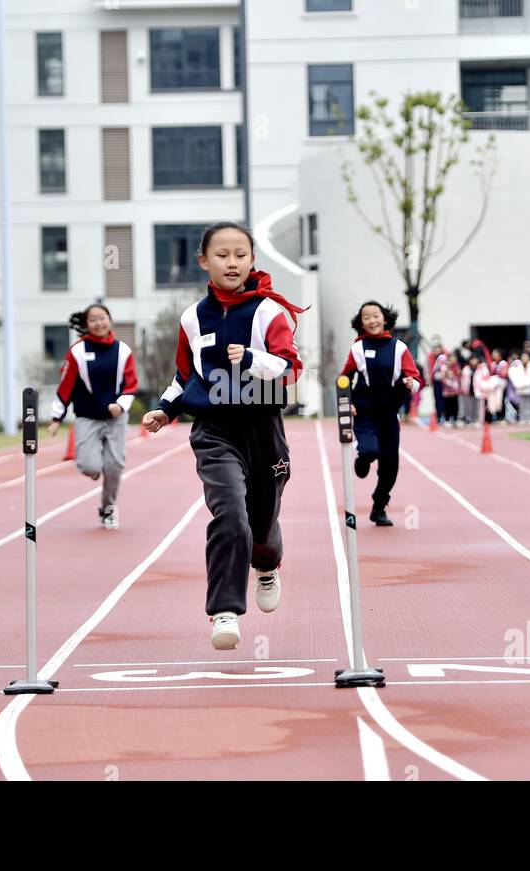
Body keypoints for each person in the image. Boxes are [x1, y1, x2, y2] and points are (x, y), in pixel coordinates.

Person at [141, 221, 304, 651]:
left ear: (252, 260)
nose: (232, 262)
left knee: (261, 525)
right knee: (230, 513)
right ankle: (224, 610)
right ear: (203, 261)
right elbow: (184, 373)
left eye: (240, 255)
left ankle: (266, 564)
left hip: (263, 428)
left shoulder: (270, 312)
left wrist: (252, 358)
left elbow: (291, 369)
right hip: (214, 432)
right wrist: (166, 408)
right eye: (222, 255)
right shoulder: (193, 318)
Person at [48, 304, 139, 529]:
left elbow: (131, 383)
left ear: (110, 320)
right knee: (90, 466)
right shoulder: (77, 351)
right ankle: (94, 467)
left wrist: (121, 405)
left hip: (115, 418)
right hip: (87, 417)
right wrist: (56, 418)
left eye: (102, 318)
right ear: (87, 324)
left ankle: (107, 507)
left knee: (115, 466)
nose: (99, 323)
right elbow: (66, 386)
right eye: (93, 320)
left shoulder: (123, 351)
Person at [339, 301, 421, 527]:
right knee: (370, 449)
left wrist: (410, 382)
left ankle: (378, 507)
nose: (372, 320)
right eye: (366, 317)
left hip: (389, 414)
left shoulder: (399, 348)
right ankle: (363, 458)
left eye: (376, 316)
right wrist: (347, 403)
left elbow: (415, 379)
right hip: (365, 413)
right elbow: (344, 379)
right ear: (361, 323)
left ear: (385, 319)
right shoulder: (358, 349)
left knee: (390, 466)